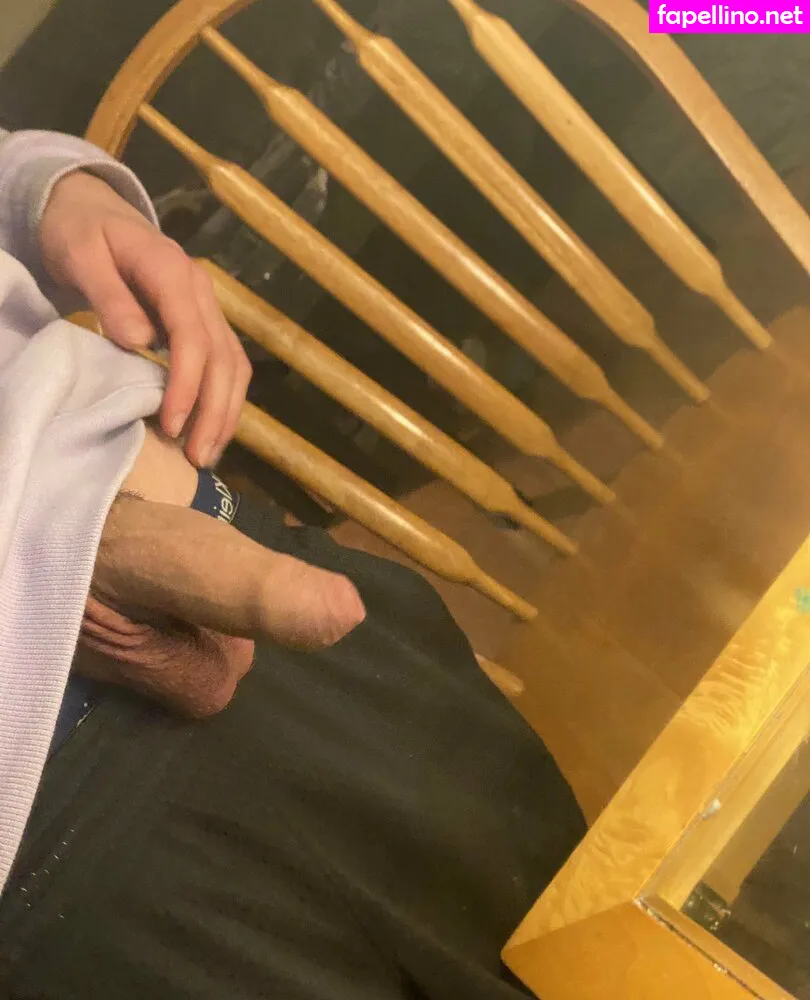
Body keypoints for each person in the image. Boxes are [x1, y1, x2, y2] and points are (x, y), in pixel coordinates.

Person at [0, 127, 585, 999]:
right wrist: (56, 567)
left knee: (612, 942)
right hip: (59, 870)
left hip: (233, 560)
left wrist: (43, 190)